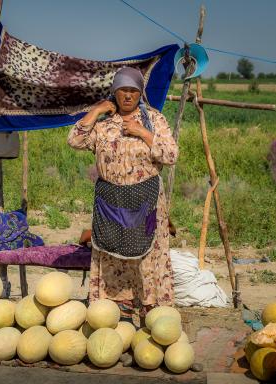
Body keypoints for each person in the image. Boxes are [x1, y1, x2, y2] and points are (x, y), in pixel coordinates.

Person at [67, 67, 178, 322]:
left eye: (133, 91)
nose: (127, 95)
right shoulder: (104, 124)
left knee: (145, 256)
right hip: (111, 203)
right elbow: (74, 140)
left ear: (140, 92)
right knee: (112, 254)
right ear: (114, 93)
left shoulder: (154, 119)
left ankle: (150, 311)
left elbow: (171, 155)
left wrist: (143, 133)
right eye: (122, 90)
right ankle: (115, 313)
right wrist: (95, 111)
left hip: (145, 202)